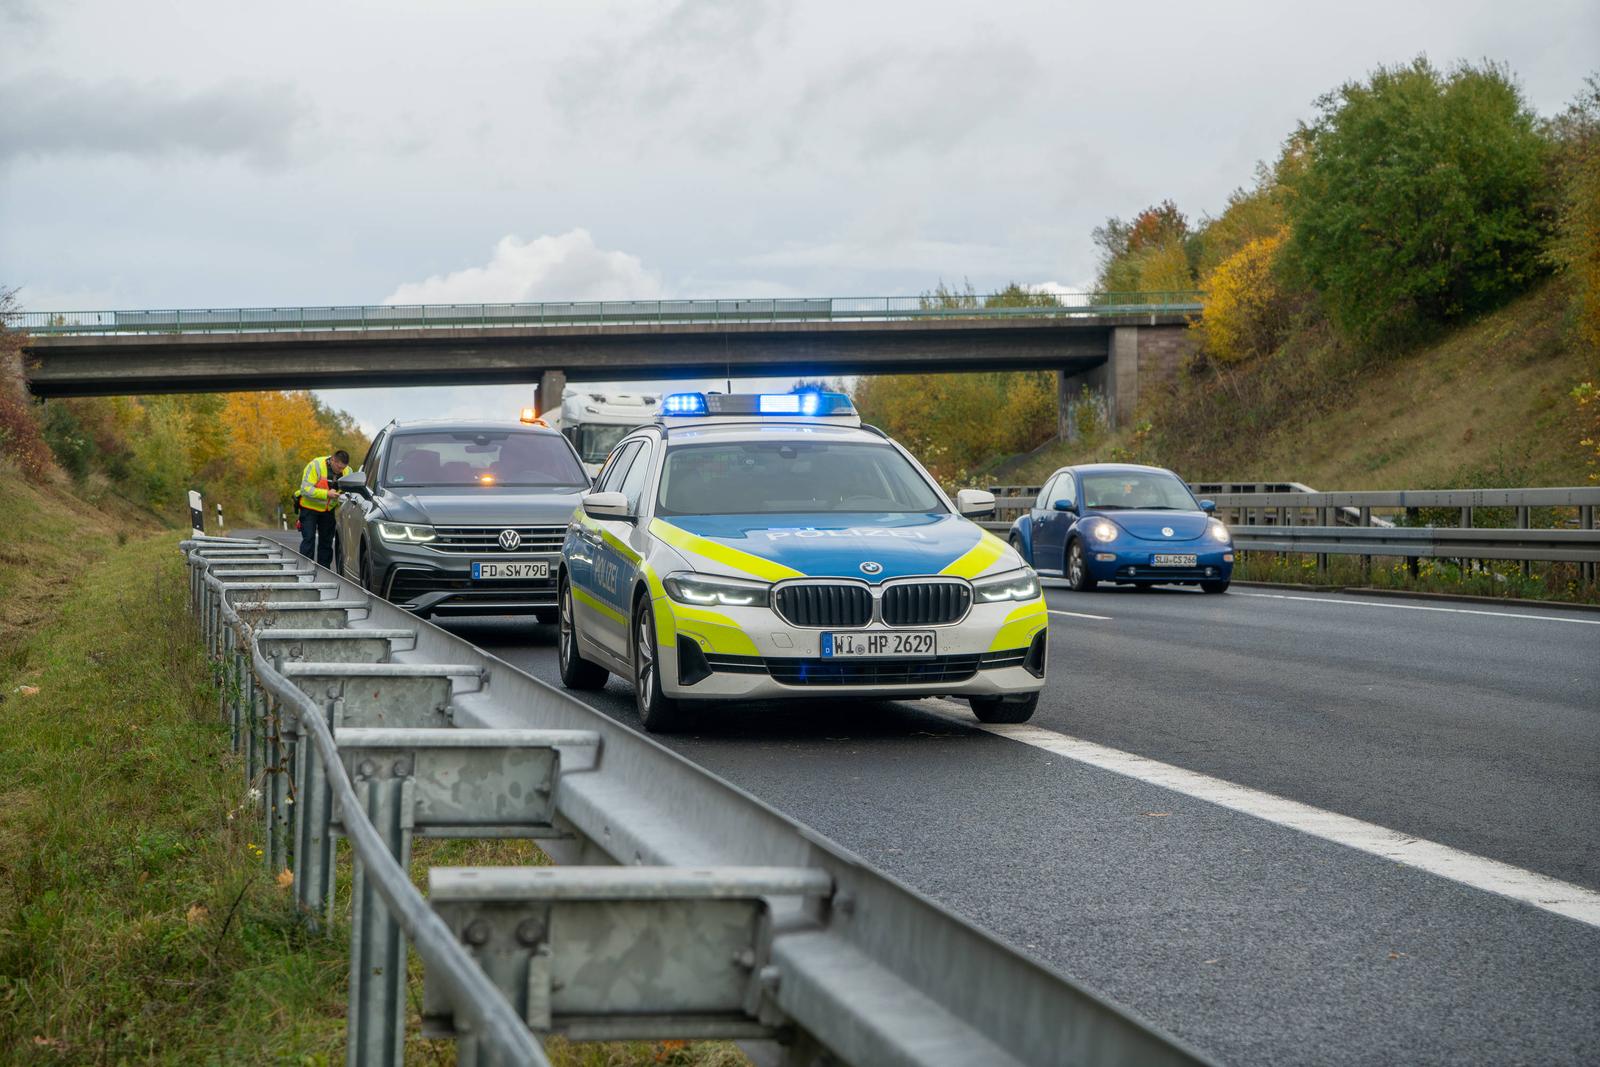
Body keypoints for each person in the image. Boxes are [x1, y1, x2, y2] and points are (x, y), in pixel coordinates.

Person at [297, 449, 349, 566]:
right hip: (309, 508)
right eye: (339, 467)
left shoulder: (347, 471)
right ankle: (305, 570)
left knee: (326, 543)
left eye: (343, 468)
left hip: (328, 510)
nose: (341, 470)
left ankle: (324, 571)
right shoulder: (315, 465)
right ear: (333, 460)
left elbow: (350, 490)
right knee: (308, 539)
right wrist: (326, 494)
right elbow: (305, 489)